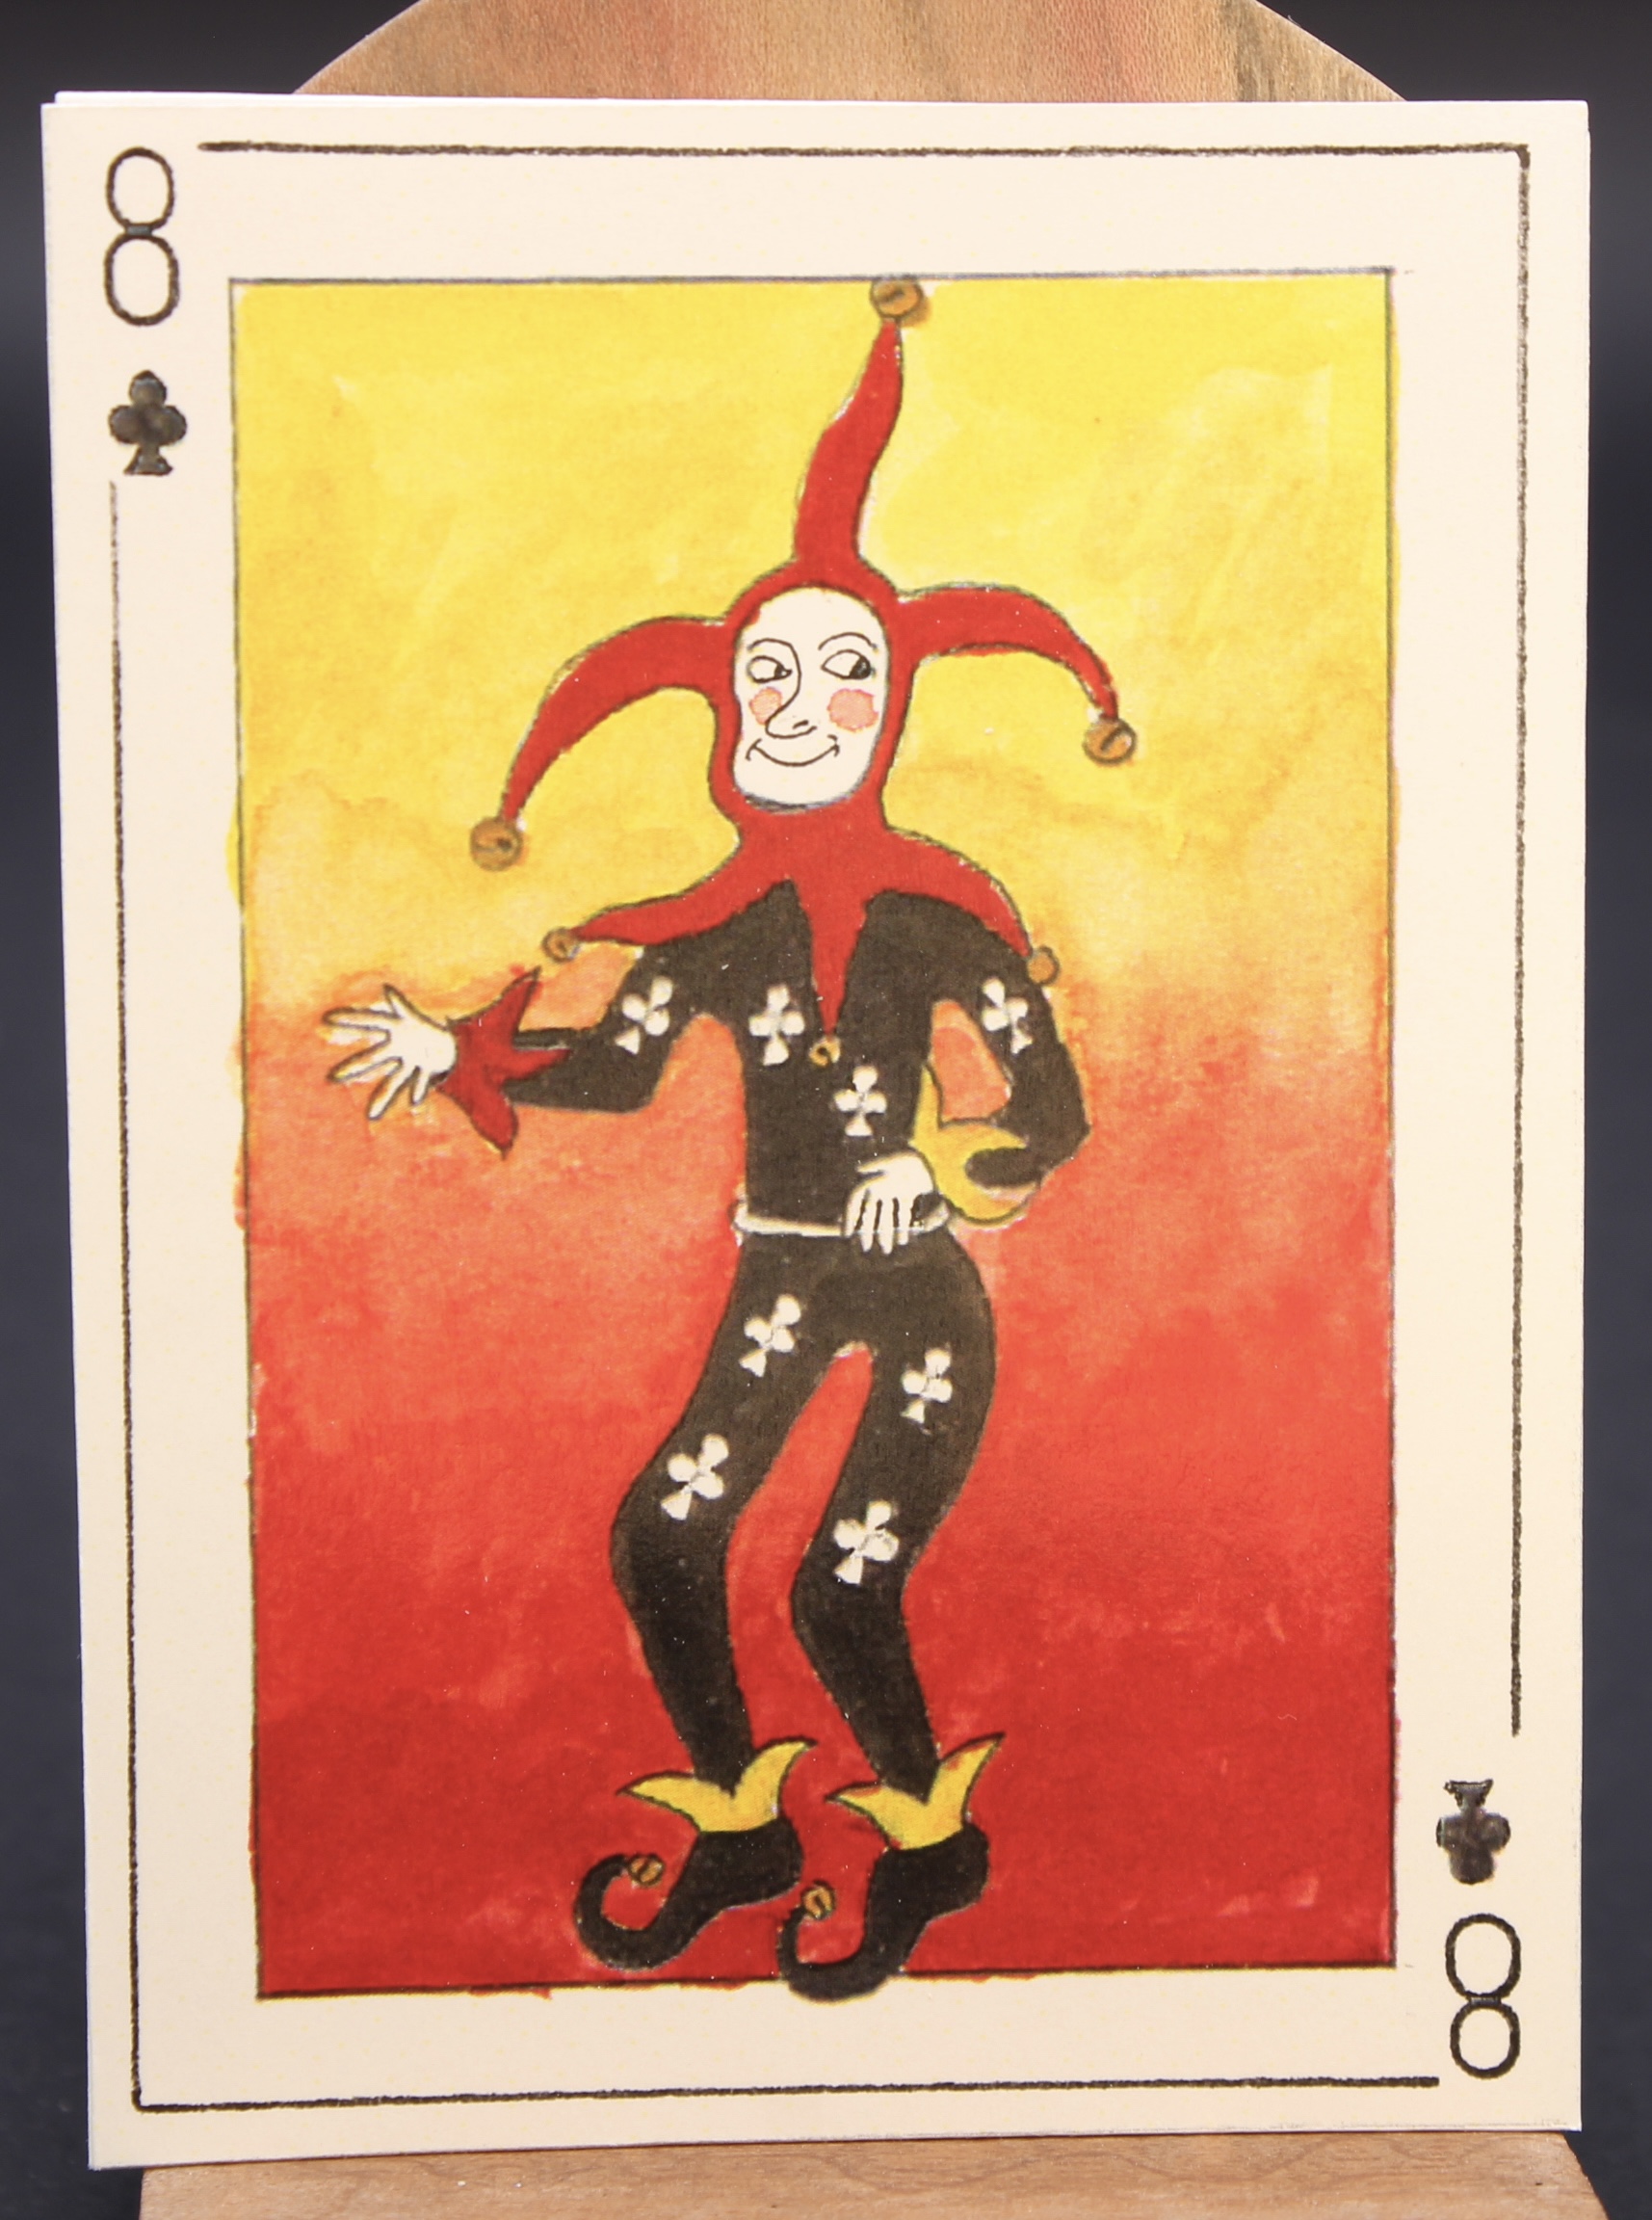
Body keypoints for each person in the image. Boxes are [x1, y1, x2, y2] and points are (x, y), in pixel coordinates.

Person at [327, 280, 1133, 1999]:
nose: (801, 702)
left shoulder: (937, 916)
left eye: (845, 673)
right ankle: (749, 1835)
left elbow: (1052, 1105)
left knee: (842, 1589)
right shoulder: (715, 929)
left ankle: (929, 1846)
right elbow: (615, 1071)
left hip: (919, 1300)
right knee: (664, 1540)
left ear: (889, 702)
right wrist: (459, 1052)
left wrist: (945, 1165)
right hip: (781, 1283)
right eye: (770, 670)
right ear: (721, 701)